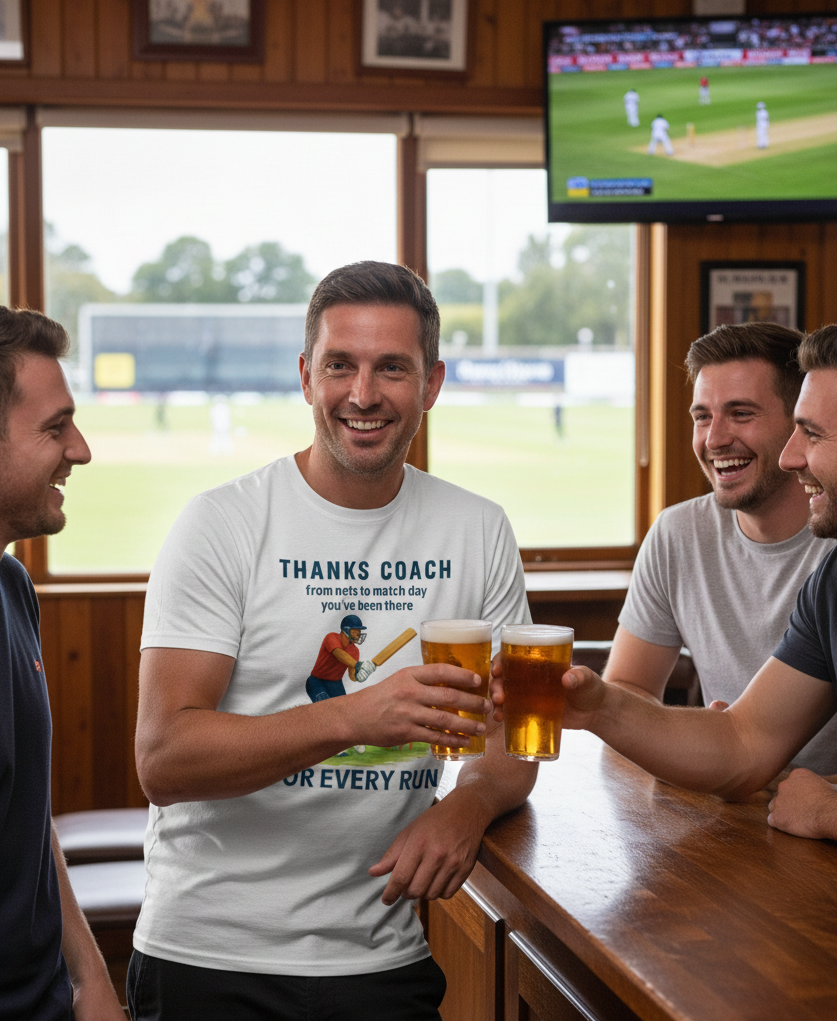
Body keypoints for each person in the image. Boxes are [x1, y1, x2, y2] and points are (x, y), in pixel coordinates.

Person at [129, 261, 538, 1021]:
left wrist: (472, 802)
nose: (363, 394)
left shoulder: (478, 529)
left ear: (432, 383)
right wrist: (356, 716)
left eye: (393, 368)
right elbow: (163, 759)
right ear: (305, 376)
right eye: (339, 365)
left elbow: (513, 734)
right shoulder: (221, 524)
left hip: (383, 952)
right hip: (209, 956)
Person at [498, 317, 837, 867]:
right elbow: (744, 742)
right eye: (702, 416)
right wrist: (599, 707)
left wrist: (828, 809)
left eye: (812, 433)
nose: (791, 456)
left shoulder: (835, 560)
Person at [605, 322, 837, 776]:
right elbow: (627, 686)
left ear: (799, 425)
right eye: (702, 417)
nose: (714, 439)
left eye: (741, 414)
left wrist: (824, 797)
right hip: (724, 796)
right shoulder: (678, 532)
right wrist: (695, 741)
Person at [0, 308, 123, 1020]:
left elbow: (26, 816)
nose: (80, 450)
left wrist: (88, 975)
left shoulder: (12, 586)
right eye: (55, 427)